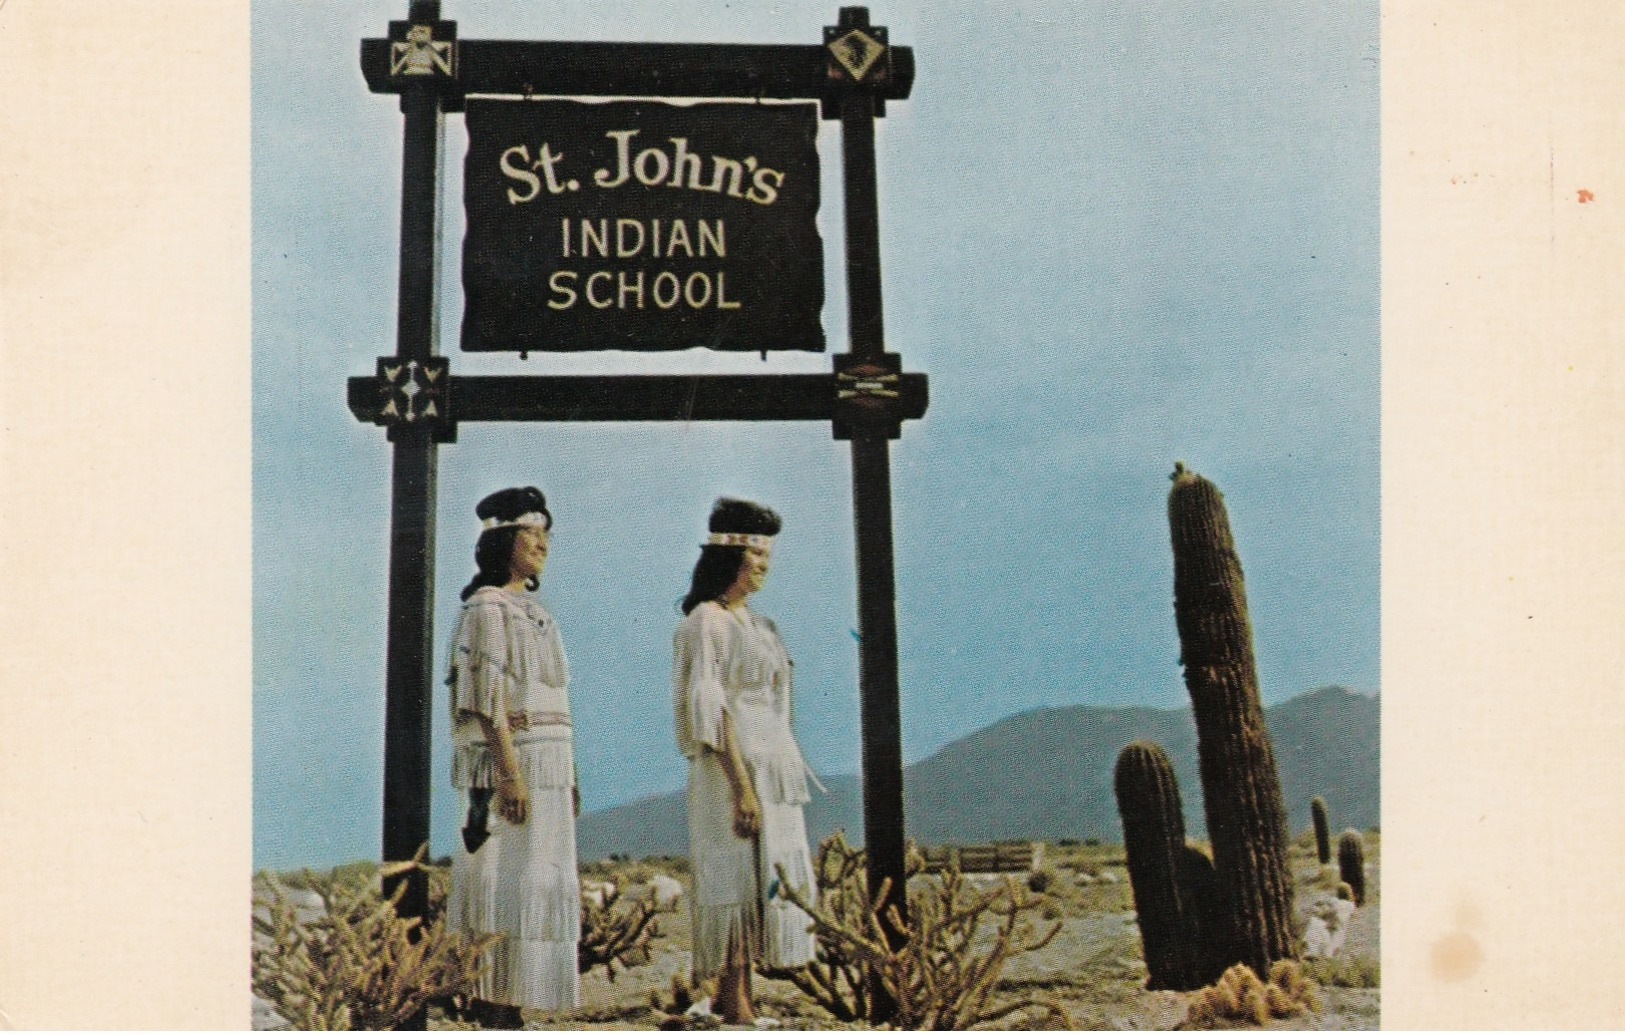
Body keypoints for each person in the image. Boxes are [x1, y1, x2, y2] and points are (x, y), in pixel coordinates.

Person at [672, 497, 822, 1023]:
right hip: (729, 767)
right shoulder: (705, 622)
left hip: (772, 760)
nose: (763, 568)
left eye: (767, 559)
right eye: (755, 559)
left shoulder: (762, 626)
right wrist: (742, 786)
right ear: (730, 557)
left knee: (765, 877)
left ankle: (739, 1000)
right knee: (733, 876)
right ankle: (731, 1001)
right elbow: (712, 709)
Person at [444, 486, 581, 1027]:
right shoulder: (484, 609)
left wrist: (569, 772)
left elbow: (555, 697)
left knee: (535, 873)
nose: (543, 544)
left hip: (547, 762)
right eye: (532, 534)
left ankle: (513, 997)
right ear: (503, 540)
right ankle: (489, 999)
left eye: (546, 534)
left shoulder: (536, 612)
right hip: (511, 763)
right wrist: (508, 772)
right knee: (501, 872)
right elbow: (483, 698)